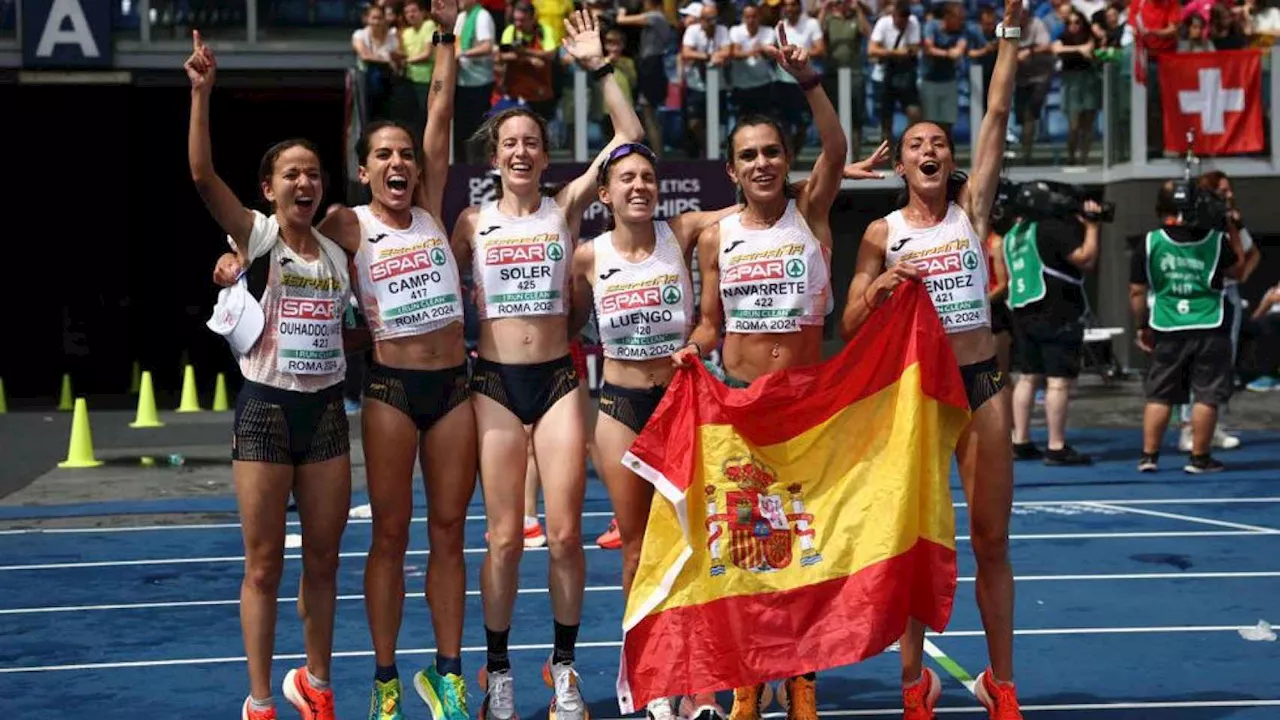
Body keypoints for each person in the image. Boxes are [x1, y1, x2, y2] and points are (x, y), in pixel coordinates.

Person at [213, 4, 475, 717]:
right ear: (362, 171)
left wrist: (448, 34)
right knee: (389, 534)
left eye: (407, 156)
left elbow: (443, 109)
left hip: (454, 387)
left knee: (450, 531)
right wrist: (239, 258)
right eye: (383, 156)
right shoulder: (345, 223)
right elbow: (283, 239)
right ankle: (385, 682)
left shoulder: (432, 204)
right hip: (386, 388)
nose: (399, 163)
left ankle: (446, 672)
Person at [449, 10, 644, 720]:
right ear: (495, 154)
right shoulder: (471, 223)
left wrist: (598, 69)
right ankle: (497, 672)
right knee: (503, 539)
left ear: (544, 152)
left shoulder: (565, 210)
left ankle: (563, 669)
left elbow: (630, 139)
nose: (524, 151)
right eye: (511, 143)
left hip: (561, 379)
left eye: (533, 141)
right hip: (495, 384)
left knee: (563, 534)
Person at [838, 2, 1027, 717]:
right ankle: (913, 683)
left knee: (990, 538)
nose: (930, 150)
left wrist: (1007, 39)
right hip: (916, 396)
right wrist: (880, 288)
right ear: (903, 159)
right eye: (917, 142)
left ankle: (1001, 683)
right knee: (919, 543)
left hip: (978, 384)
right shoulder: (882, 232)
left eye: (940, 143)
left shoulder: (970, 210)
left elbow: (999, 114)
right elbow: (852, 318)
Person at [671, 21, 853, 720]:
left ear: (786, 158)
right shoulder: (718, 235)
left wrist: (808, 79)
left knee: (806, 544)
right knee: (748, 545)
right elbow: (713, 321)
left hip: (807, 404)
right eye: (748, 156)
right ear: (733, 168)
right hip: (742, 404)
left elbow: (835, 147)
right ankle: (750, 679)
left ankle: (801, 675)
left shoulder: (811, 211)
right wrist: (695, 341)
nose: (762, 164)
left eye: (772, 152)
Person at [188, 31, 353, 720]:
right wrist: (201, 94)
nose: (305, 181)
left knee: (322, 564)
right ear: (268, 188)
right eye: (292, 173)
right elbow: (202, 177)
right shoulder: (256, 237)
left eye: (313, 172)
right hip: (265, 410)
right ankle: (259, 700)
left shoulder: (342, 250)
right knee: (263, 566)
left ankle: (315, 683)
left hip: (327, 418)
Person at [567, 141, 745, 720]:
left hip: (679, 406)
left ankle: (701, 688)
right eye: (627, 179)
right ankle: (654, 681)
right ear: (606, 193)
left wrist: (694, 345)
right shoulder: (588, 258)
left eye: (647, 176)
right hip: (618, 407)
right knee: (638, 551)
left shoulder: (682, 230)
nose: (639, 186)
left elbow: (758, 200)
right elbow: (566, 326)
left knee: (696, 550)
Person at [1129, 180, 1244, 474]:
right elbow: (1238, 271)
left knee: (1160, 393)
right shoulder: (1215, 240)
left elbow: (1137, 292)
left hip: (1167, 323)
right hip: (1209, 323)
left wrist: (1142, 325)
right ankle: (1199, 457)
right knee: (1206, 393)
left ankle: (1149, 456)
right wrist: (1231, 227)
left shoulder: (1150, 241)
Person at [1003, 198, 1102, 466]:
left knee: (1027, 377)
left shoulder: (1013, 234)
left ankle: (1020, 440)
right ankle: (1056, 446)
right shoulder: (1049, 227)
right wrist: (1092, 227)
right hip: (1056, 310)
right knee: (1057, 381)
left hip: (1022, 308)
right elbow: (1085, 258)